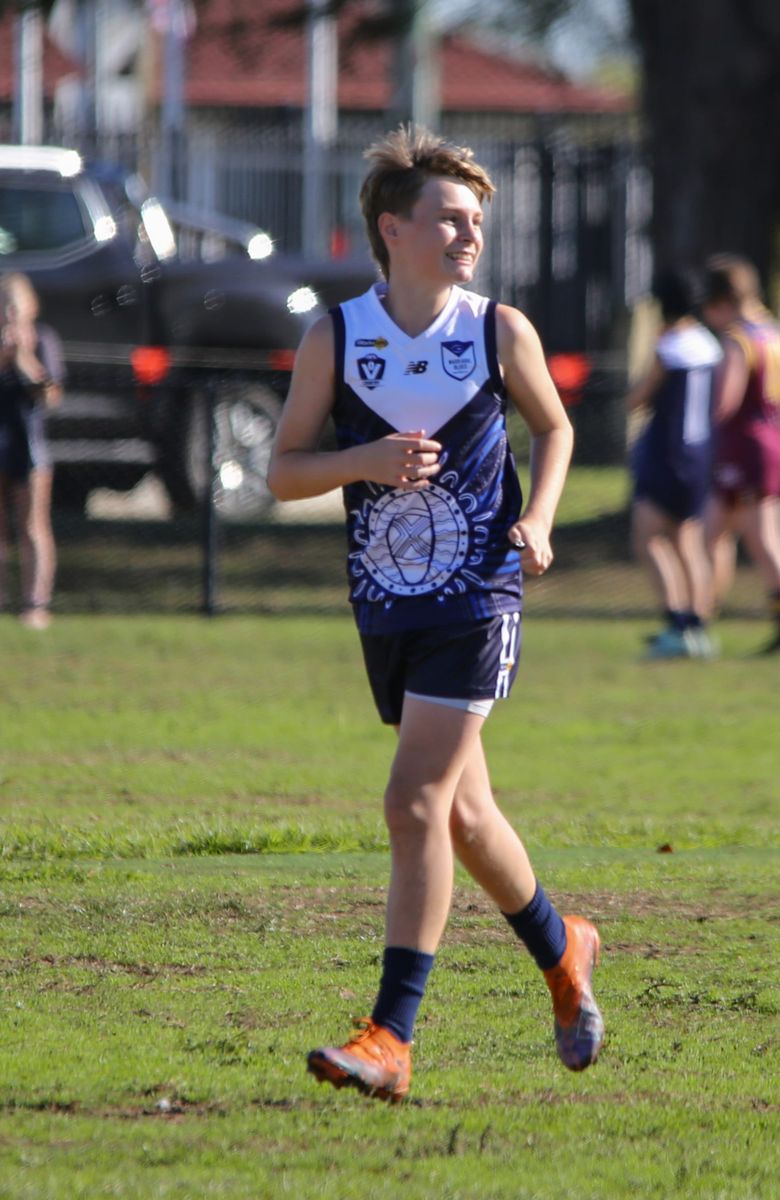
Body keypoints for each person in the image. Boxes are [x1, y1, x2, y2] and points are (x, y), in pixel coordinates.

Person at [267, 126, 603, 1103]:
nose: (468, 236)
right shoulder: (336, 334)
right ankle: (561, 947)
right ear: (391, 227)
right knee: (461, 813)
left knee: (411, 801)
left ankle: (389, 1036)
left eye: (475, 222)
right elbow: (283, 471)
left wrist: (537, 520)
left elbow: (555, 424)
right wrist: (359, 464)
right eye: (449, 218)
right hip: (385, 604)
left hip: (478, 597)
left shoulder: (498, 329)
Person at [702, 255, 780, 653]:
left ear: (721, 300)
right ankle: (701, 615)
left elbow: (724, 402)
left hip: (742, 446)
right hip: (772, 441)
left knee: (765, 540)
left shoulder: (738, 339)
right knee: (716, 531)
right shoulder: (776, 334)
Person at [626, 268, 722, 658]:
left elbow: (638, 399)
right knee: (688, 539)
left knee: (648, 537)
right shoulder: (708, 343)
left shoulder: (670, 347)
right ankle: (698, 626)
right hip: (701, 453)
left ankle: (675, 624)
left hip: (668, 453)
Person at [0, 273, 64, 629]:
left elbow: (52, 395)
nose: (8, 311)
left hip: (29, 445)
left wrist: (23, 357)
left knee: (33, 525)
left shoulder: (43, 339)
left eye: (14, 303)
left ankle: (36, 603)